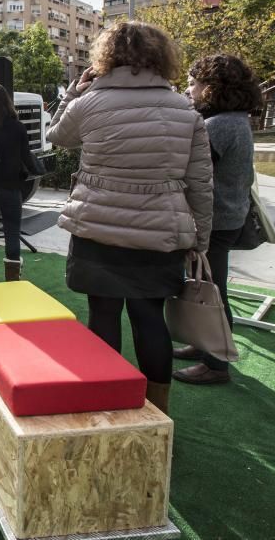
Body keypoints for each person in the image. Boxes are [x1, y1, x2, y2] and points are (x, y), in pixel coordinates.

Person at [47, 21, 213, 415]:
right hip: (158, 234)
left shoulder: (89, 103)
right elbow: (201, 185)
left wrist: (75, 89)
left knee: (102, 315)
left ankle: (107, 406)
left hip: (97, 229)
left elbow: (57, 135)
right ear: (161, 57)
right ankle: (159, 410)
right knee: (149, 319)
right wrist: (199, 240)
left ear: (107, 56)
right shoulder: (185, 111)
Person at [173, 54, 260, 386]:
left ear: (212, 89)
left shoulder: (218, 125)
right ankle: (202, 344)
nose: (189, 89)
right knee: (204, 285)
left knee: (212, 291)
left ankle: (216, 363)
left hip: (217, 220)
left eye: (194, 83)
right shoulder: (235, 119)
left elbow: (190, 169)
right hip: (229, 215)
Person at [0, 83, 35, 281]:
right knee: (12, 231)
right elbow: (26, 158)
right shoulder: (17, 127)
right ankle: (12, 279)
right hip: (10, 187)